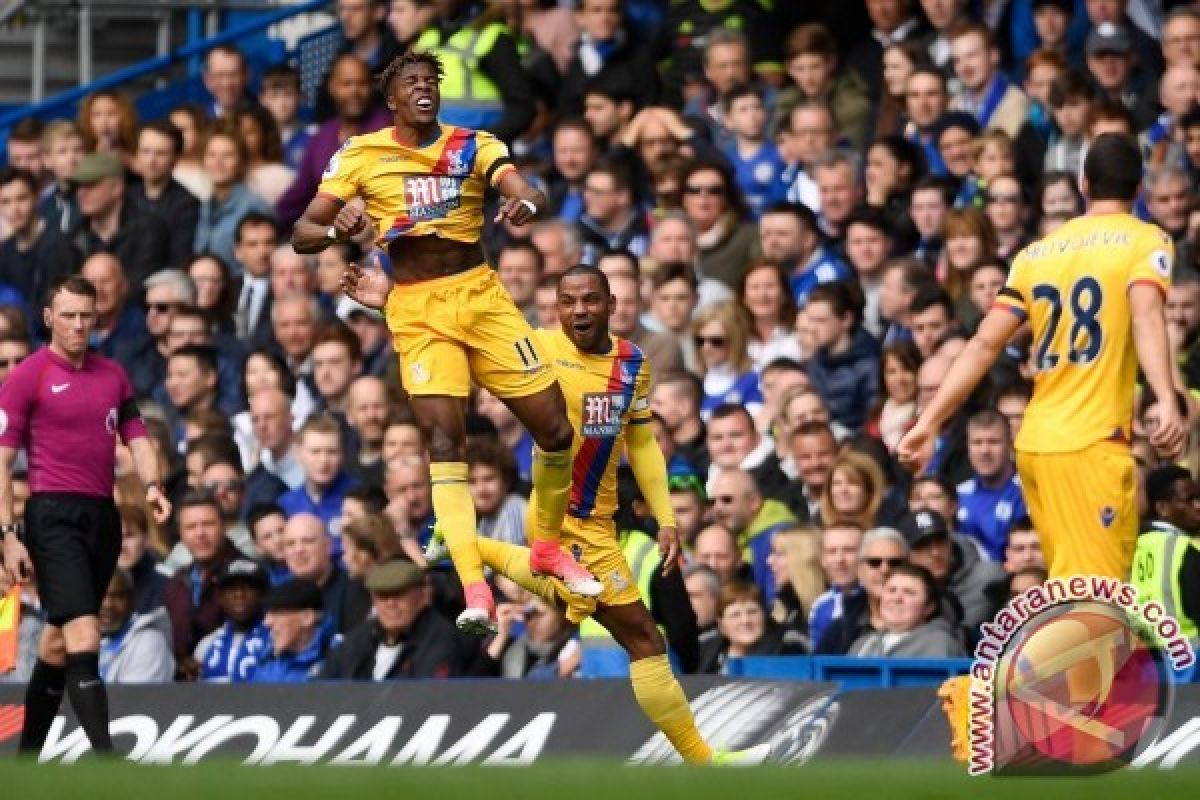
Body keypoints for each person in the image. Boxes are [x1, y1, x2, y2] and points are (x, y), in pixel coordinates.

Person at [426, 266, 769, 765]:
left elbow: (643, 443)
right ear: (555, 308)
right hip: (561, 517)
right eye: (568, 301)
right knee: (644, 637)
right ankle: (704, 761)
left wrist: (666, 517)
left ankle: (462, 544)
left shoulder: (632, 363)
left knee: (622, 626)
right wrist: (390, 298)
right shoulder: (535, 349)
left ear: (611, 304)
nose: (579, 310)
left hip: (600, 521)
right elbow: (461, 340)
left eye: (590, 300)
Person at [295, 51, 589, 632]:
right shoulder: (361, 154)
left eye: (432, 81)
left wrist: (527, 201)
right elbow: (302, 231)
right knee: (441, 439)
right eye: (412, 83)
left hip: (480, 296)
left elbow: (527, 189)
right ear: (392, 98)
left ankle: (549, 544)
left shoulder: (473, 144)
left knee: (556, 427)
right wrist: (337, 229)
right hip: (417, 308)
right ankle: (476, 591)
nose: (424, 88)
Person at [899, 134, 1187, 581]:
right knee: (1099, 601)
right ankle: (1022, 656)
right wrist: (1165, 398)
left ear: (1083, 184)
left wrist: (931, 419)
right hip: (1090, 443)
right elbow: (1147, 313)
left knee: (1073, 592)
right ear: (1140, 188)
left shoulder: (1036, 253)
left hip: (1036, 443)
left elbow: (982, 344)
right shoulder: (1146, 240)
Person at [0, 274, 170, 755]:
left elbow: (136, 434)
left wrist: (153, 484)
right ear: (49, 318)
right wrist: (9, 534)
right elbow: (2, 459)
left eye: (85, 317)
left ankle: (26, 762)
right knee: (85, 631)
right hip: (52, 514)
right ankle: (106, 761)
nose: (78, 326)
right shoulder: (27, 376)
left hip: (102, 514)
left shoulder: (112, 375)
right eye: (68, 316)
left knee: (57, 645)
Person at [321, 559, 478, 680]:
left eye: (399, 594)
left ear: (423, 596)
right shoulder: (358, 640)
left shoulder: (441, 639)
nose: (391, 603)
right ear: (373, 601)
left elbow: (431, 697)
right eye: (383, 596)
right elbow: (322, 687)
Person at [1132, 465, 1200, 647]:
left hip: (1147, 661)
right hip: (1189, 661)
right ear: (1162, 508)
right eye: (1189, 500)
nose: (1198, 506)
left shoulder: (1135, 545)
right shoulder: (1186, 549)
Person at [848, 564, 966, 658]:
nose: (897, 598)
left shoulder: (940, 644)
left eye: (909, 592)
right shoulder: (862, 644)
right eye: (891, 590)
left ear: (929, 607)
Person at [195, 558, 272, 682]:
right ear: (220, 597)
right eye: (231, 588)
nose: (239, 594)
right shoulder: (207, 645)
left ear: (263, 595)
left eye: (248, 587)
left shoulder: (277, 641)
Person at [249, 578, 338, 682]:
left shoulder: (339, 659)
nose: (266, 622)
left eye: (277, 613)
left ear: (307, 618)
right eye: (267, 614)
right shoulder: (267, 661)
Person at [96, 569, 175, 684]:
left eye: (118, 596)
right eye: (99, 595)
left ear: (132, 600)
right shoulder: (88, 641)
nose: (107, 605)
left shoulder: (149, 642)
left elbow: (135, 699)